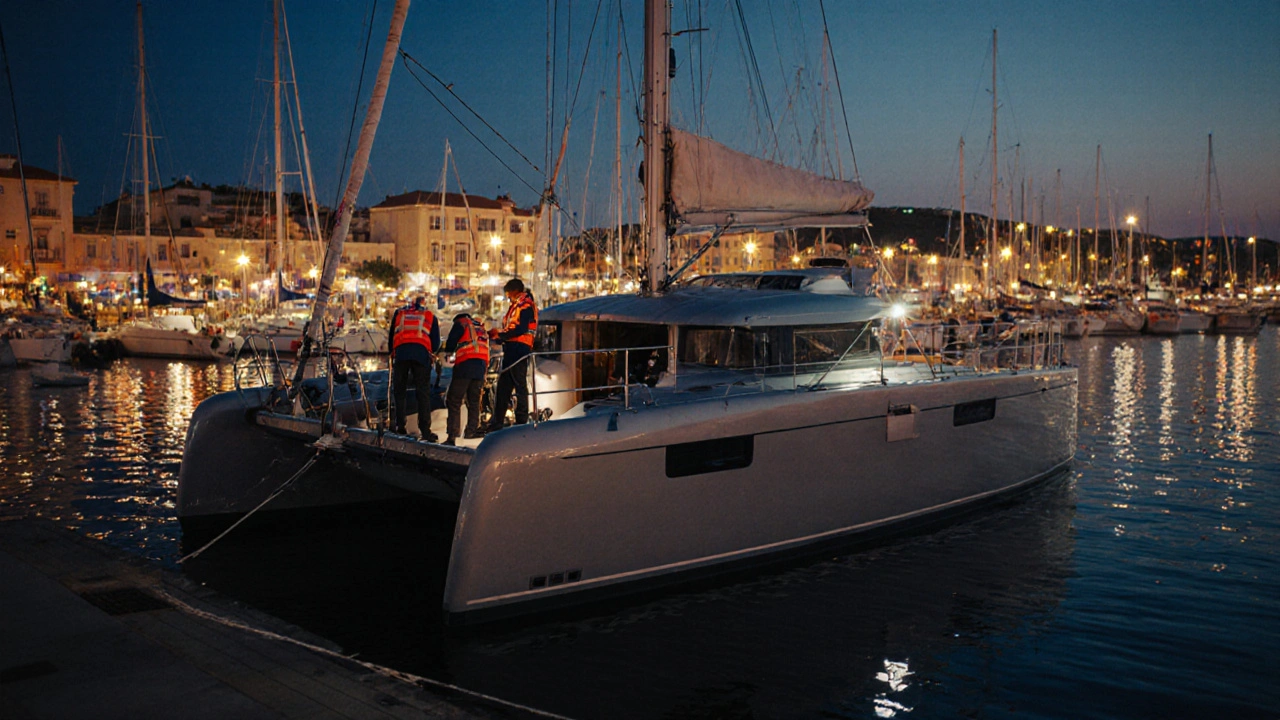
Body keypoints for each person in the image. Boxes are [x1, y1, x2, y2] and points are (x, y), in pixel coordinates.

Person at [487, 278, 538, 433]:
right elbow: (513, 328)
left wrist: (501, 336)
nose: (507, 296)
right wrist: (500, 335)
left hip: (520, 348)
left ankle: (521, 421)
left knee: (519, 383)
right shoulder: (517, 305)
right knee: (504, 386)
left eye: (508, 293)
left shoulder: (525, 305)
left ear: (515, 291)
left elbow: (521, 328)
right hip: (511, 347)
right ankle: (497, 422)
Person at [389, 295, 440, 440]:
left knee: (400, 391)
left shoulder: (400, 313)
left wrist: (392, 353)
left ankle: (400, 427)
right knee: (423, 393)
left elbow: (392, 335)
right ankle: (425, 430)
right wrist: (431, 353)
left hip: (401, 353)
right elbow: (435, 342)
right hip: (421, 354)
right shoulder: (429, 315)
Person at [439, 312, 489, 446]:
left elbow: (451, 340)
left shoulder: (461, 323)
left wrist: (448, 352)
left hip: (466, 364)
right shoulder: (480, 327)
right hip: (481, 366)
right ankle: (471, 431)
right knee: (474, 401)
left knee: (454, 399)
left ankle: (452, 435)